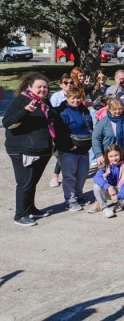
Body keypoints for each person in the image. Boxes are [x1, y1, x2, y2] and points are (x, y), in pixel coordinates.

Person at [4, 73, 55, 226]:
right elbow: (7, 122)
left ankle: (30, 208)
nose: (43, 90)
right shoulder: (21, 100)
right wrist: (25, 110)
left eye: (45, 87)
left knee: (32, 182)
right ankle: (20, 215)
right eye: (39, 87)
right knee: (25, 182)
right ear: (29, 87)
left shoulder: (44, 102)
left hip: (41, 149)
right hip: (23, 149)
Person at [56, 88, 93, 211]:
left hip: (84, 148)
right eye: (73, 98)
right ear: (67, 98)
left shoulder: (83, 110)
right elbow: (59, 132)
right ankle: (70, 200)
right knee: (69, 176)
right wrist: (68, 145)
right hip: (69, 150)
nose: (76, 100)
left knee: (82, 174)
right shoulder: (64, 112)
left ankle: (79, 195)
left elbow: (90, 126)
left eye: (78, 98)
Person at [91, 98, 124, 167]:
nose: (118, 111)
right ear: (109, 109)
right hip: (110, 156)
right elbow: (96, 138)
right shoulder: (104, 122)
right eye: (114, 109)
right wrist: (99, 154)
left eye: (120, 108)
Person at [91, 144, 124, 218]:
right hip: (110, 191)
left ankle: (120, 204)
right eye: (111, 156)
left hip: (121, 190)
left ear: (120, 153)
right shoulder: (105, 165)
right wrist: (108, 187)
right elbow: (96, 178)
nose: (114, 158)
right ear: (107, 157)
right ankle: (104, 208)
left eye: (116, 155)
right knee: (96, 186)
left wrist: (119, 196)